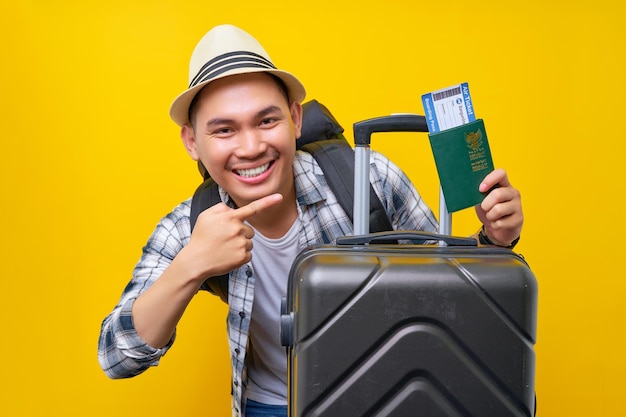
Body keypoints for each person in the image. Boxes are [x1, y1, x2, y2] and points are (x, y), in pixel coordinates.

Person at [98, 24, 523, 417]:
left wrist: (494, 240)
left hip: (384, 395)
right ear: (192, 142)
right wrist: (191, 265)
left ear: (295, 118)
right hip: (271, 404)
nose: (250, 147)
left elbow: (450, 296)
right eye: (224, 130)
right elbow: (116, 356)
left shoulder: (367, 178)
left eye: (267, 120)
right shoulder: (190, 225)